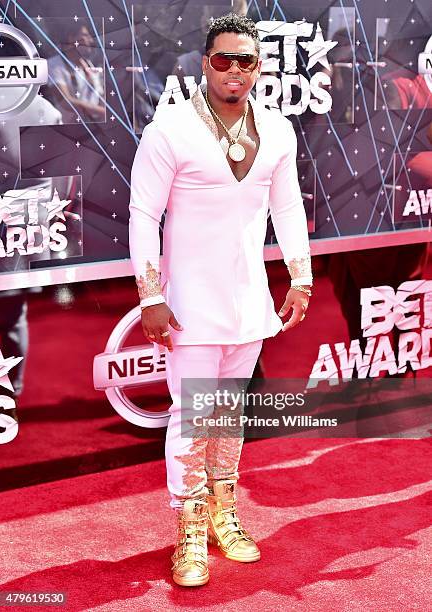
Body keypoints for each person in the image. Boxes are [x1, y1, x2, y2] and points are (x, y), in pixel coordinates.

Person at [128, 14, 313, 587]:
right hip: (188, 304)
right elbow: (142, 215)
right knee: (190, 416)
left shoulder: (279, 131)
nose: (235, 70)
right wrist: (152, 296)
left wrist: (300, 279)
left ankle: (222, 512)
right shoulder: (171, 129)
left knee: (228, 412)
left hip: (247, 301)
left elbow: (287, 209)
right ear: (204, 63)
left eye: (247, 61)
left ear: (260, 68)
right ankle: (188, 527)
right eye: (224, 59)